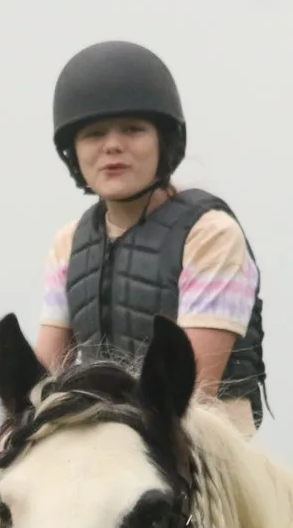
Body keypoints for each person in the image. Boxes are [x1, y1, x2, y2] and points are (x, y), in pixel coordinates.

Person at [32, 40, 267, 429]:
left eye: (132, 130)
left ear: (164, 140)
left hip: (201, 454)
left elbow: (190, 393)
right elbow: (42, 381)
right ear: (72, 151)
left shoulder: (210, 235)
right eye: (94, 134)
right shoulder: (69, 244)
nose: (112, 146)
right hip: (104, 446)